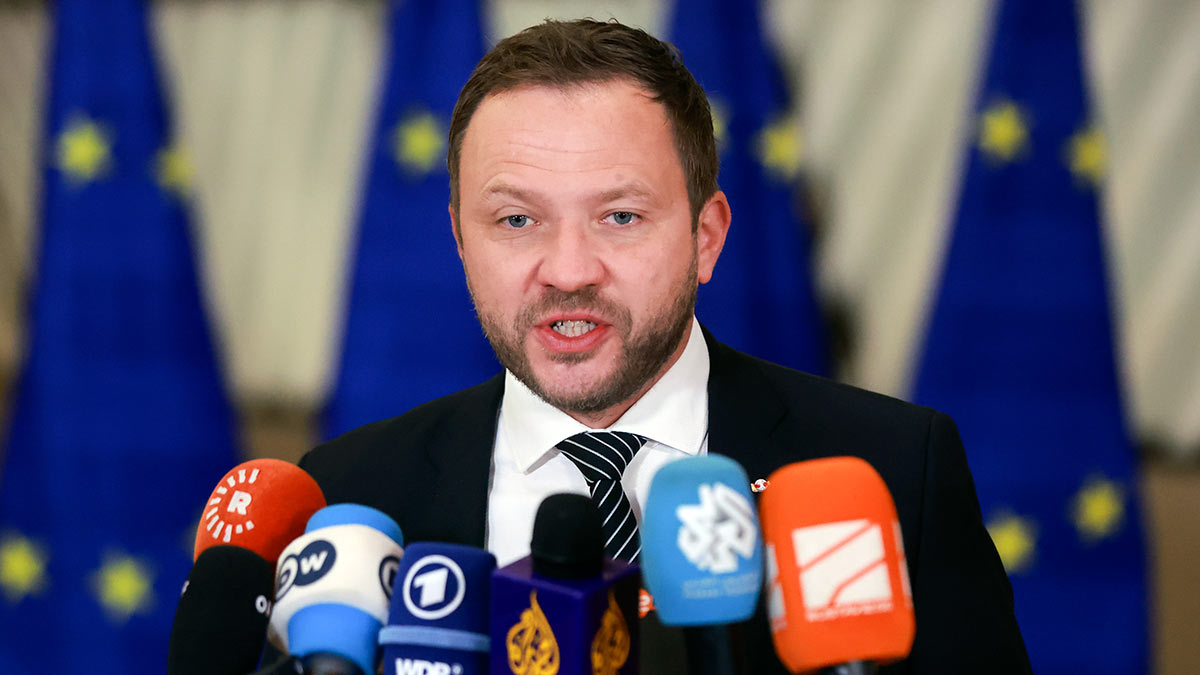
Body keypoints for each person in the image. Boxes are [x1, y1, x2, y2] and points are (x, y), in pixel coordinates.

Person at [301, 19, 1031, 673]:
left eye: (619, 216)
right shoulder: (350, 496)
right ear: (461, 241)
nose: (568, 271)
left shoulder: (893, 470)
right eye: (517, 220)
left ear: (705, 238)